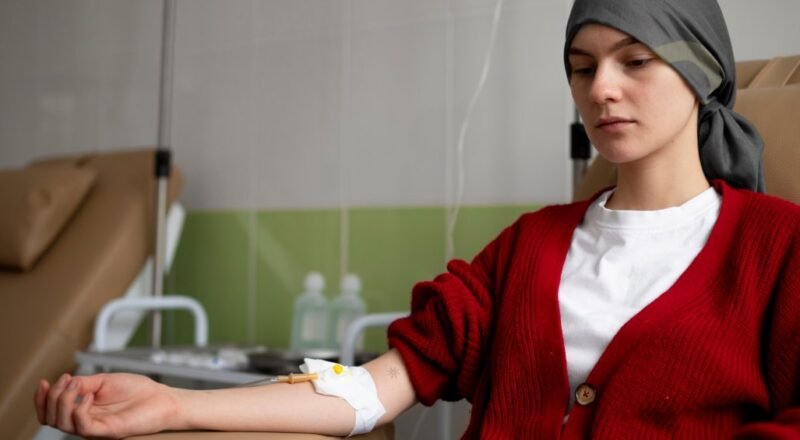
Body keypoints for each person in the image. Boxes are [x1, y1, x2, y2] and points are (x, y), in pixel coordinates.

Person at [36, 0, 800, 438]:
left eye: (634, 60)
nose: (601, 88)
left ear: (700, 73)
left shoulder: (778, 250)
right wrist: (175, 404)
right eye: (582, 66)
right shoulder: (528, 247)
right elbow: (380, 385)